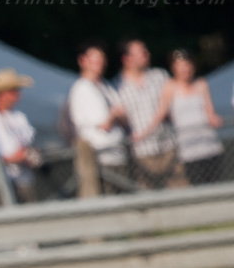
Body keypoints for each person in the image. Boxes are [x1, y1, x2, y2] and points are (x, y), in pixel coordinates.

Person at [133, 49, 224, 185]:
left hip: (208, 142)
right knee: (196, 183)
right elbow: (160, 113)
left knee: (215, 182)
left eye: (187, 65)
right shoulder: (170, 86)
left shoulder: (201, 84)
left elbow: (209, 111)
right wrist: (143, 133)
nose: (184, 69)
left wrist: (215, 119)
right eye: (180, 66)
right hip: (188, 148)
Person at [115, 39, 188, 190]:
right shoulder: (117, 86)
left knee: (181, 192)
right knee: (148, 197)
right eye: (142, 52)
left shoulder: (160, 76)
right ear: (127, 59)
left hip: (168, 147)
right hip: (142, 153)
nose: (147, 55)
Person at [0, 68, 41, 205]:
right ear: (0, 94)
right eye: (13, 91)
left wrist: (30, 155)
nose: (17, 95)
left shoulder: (20, 118)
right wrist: (10, 159)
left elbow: (28, 145)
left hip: (23, 180)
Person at [68, 43, 129, 196]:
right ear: (82, 61)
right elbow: (104, 124)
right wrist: (114, 114)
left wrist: (115, 115)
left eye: (101, 59)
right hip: (101, 159)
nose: (99, 63)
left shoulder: (106, 86)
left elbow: (123, 117)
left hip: (118, 154)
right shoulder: (82, 88)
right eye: (95, 59)